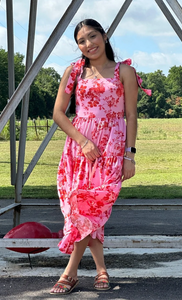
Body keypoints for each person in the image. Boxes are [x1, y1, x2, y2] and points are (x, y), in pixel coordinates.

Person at [50, 19, 151, 295]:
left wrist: (129, 156)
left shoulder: (124, 71)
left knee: (92, 206)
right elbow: (59, 113)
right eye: (81, 41)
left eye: (92, 36)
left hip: (111, 147)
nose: (88, 44)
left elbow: (131, 116)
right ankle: (101, 270)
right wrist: (82, 141)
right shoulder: (74, 72)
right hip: (80, 147)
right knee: (83, 208)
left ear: (104, 36)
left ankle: (70, 272)